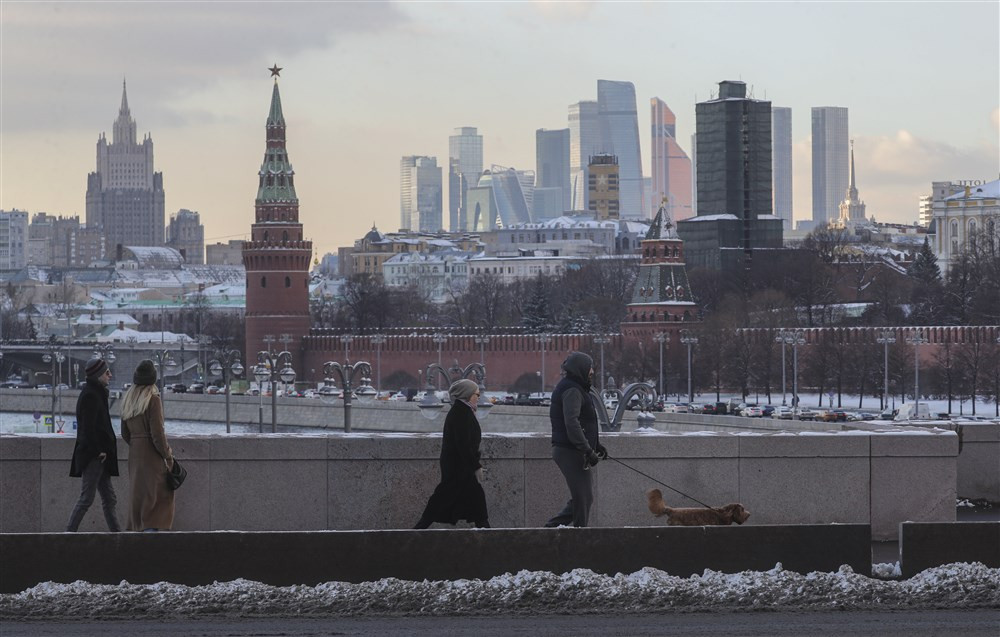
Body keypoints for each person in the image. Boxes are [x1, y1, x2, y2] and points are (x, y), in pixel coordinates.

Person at [414, 379, 490, 529]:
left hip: (459, 467)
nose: (478, 397)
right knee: (445, 499)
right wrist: (476, 466)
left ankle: (417, 530)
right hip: (458, 468)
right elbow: (463, 445)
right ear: (467, 395)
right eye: (476, 394)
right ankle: (415, 532)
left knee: (470, 501)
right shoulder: (461, 414)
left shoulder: (463, 411)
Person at [544, 351, 607, 528]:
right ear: (581, 369)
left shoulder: (574, 387)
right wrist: (587, 449)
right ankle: (574, 537)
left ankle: (551, 532)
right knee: (582, 498)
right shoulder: (572, 389)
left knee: (584, 498)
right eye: (589, 368)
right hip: (570, 450)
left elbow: (582, 423)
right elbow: (571, 423)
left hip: (573, 449)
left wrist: (596, 445)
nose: (592, 372)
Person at [66, 357, 121, 532]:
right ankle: (68, 535)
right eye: (107, 372)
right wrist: (98, 451)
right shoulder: (91, 395)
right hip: (94, 456)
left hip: (100, 455)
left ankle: (118, 537)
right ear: (98, 375)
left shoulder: (96, 392)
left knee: (109, 498)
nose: (110, 375)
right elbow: (87, 429)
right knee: (86, 499)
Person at [120, 360, 175, 532]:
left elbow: (124, 433)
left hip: (135, 455)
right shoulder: (153, 400)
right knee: (158, 498)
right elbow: (157, 435)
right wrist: (167, 455)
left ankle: (137, 532)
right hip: (152, 456)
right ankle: (151, 538)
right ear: (153, 380)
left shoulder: (128, 400)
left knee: (139, 497)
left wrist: (137, 444)